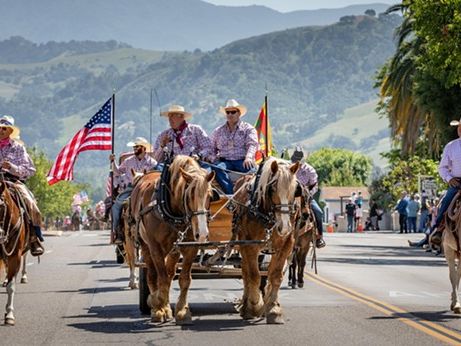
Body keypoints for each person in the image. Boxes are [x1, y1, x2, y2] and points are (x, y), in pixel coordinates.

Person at [0, 115, 43, 256]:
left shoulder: (18, 148)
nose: (1, 131)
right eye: (0, 128)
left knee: (32, 206)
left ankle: (33, 238)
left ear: (10, 131)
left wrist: (12, 167)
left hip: (13, 182)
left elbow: (30, 170)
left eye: (4, 128)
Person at [110, 137, 157, 244]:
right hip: (131, 187)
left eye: (137, 147)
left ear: (144, 148)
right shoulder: (128, 161)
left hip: (147, 188)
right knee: (117, 205)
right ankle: (118, 231)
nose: (135, 149)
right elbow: (117, 172)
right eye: (134, 147)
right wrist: (113, 162)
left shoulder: (152, 163)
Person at [209, 99, 259, 194]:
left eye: (233, 112)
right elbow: (211, 147)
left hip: (242, 160)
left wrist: (248, 157)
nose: (230, 114)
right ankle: (231, 194)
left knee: (254, 171)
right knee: (216, 168)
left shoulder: (248, 128)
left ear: (239, 113)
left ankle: (252, 197)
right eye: (228, 112)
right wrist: (212, 158)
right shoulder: (218, 131)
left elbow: (252, 144)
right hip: (225, 161)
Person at [431, 116, 461, 245]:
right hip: (457, 182)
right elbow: (442, 167)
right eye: (460, 127)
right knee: (446, 203)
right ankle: (438, 229)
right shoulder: (451, 146)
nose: (460, 130)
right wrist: (449, 179)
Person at [290, 147, 326, 248]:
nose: (296, 161)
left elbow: (315, 186)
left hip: (306, 198)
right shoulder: (288, 166)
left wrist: (307, 195)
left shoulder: (310, 170)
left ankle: (319, 237)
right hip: (290, 197)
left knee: (318, 212)